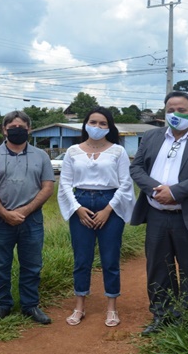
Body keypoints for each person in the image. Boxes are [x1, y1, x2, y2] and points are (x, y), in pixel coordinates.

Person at [130, 91, 188, 335]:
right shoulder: (151, 136)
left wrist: (174, 192)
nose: (176, 114)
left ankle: (187, 318)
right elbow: (137, 167)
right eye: (170, 109)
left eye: (182, 109)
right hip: (157, 215)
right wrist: (155, 190)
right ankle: (160, 316)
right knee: (158, 268)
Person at [57, 107, 135, 327]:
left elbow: (126, 182)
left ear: (109, 127)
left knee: (110, 259)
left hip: (111, 204)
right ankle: (79, 306)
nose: (97, 127)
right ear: (85, 124)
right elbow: (64, 183)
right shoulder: (73, 151)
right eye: (93, 122)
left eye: (103, 124)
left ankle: (112, 307)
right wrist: (77, 209)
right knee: (82, 259)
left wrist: (108, 209)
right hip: (80, 203)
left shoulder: (118, 152)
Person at [0, 111, 55, 325]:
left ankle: (30, 304)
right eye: (12, 127)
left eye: (21, 127)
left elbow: (47, 187)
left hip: (31, 220)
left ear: (29, 129)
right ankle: (2, 304)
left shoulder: (41, 156)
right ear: (4, 130)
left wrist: (25, 211)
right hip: (0, 219)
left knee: (32, 264)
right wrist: (4, 213)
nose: (16, 130)